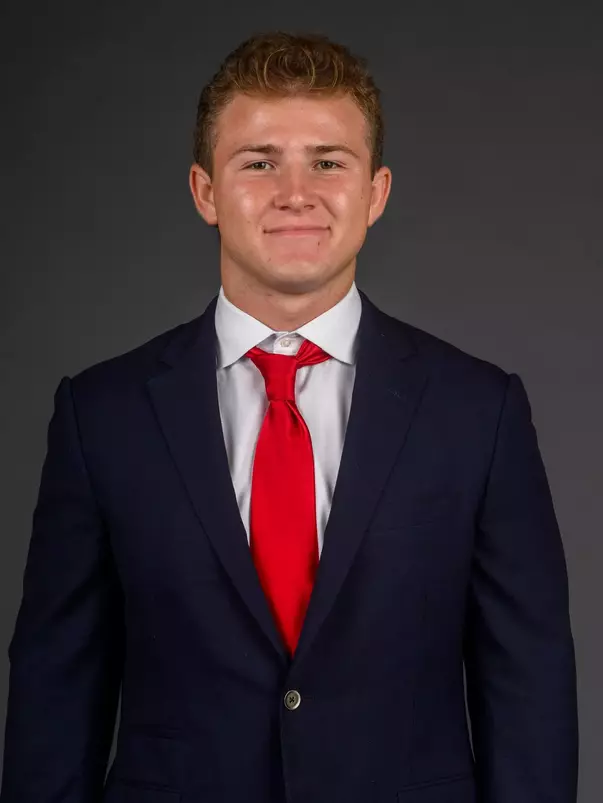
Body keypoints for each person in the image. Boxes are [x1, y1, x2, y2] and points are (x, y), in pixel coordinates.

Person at [1, 30, 578, 803]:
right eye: (260, 161)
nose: (295, 191)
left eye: (328, 161)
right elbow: (55, 689)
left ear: (374, 192)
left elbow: (528, 684)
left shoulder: (479, 410)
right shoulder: (100, 414)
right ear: (205, 191)